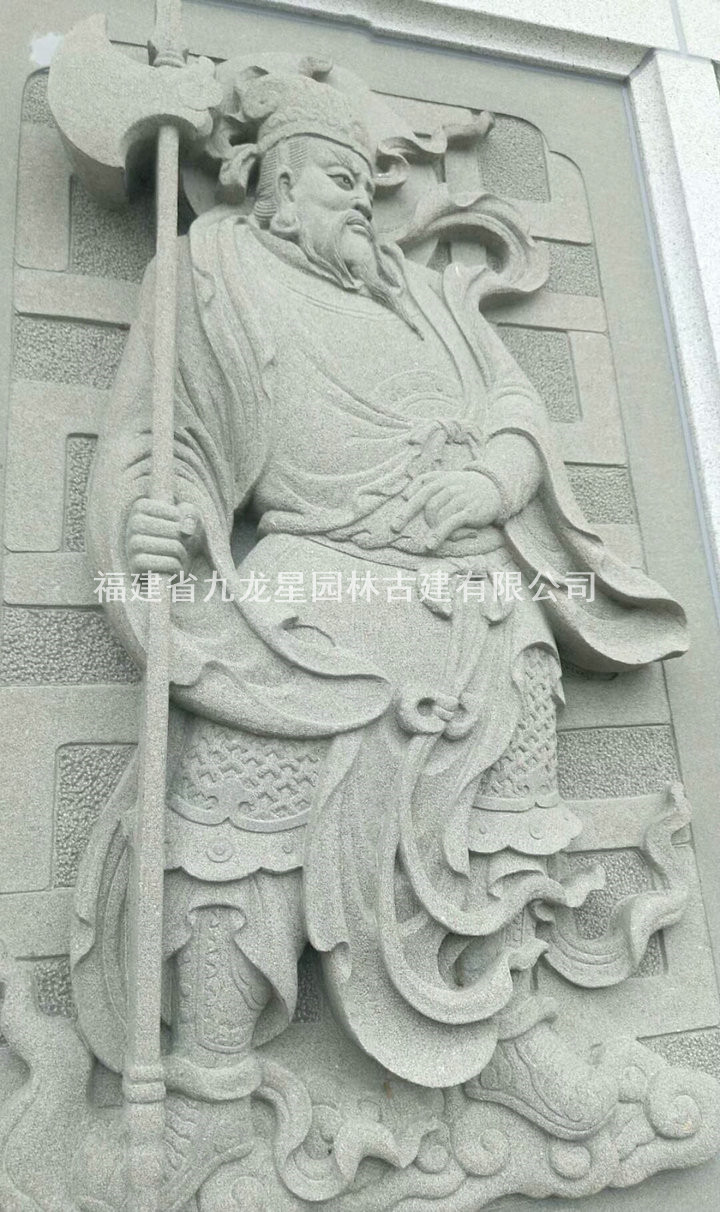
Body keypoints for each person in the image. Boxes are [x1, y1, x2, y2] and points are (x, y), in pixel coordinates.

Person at [78, 65, 688, 1194]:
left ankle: (508, 1036)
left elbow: (513, 408)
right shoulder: (213, 271)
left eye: (366, 180)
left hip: (468, 596)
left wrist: (495, 483)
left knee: (505, 814)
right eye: (336, 177)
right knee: (236, 807)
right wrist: (158, 517)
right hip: (316, 582)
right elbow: (169, 442)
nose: (359, 197)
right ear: (274, 186)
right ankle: (213, 1080)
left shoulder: (417, 293)